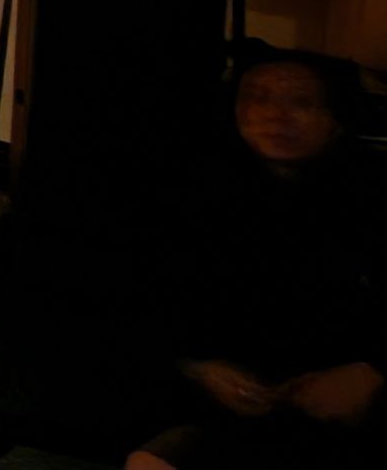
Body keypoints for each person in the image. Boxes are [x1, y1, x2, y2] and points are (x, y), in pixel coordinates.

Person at [126, 46, 385, 470]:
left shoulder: (371, 191)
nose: (275, 115)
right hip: (231, 405)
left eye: (301, 102)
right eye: (258, 98)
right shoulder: (197, 188)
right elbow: (150, 298)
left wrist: (372, 372)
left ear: (337, 116)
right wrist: (200, 368)